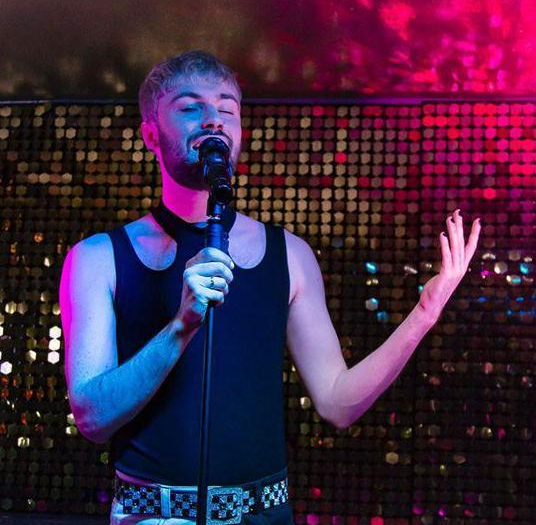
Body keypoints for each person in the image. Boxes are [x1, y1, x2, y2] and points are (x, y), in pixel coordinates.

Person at [59, 50, 482, 524]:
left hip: (263, 513)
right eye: (189, 107)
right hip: (150, 513)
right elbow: (92, 418)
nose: (212, 120)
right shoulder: (97, 258)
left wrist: (424, 313)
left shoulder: (291, 255)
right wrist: (181, 325)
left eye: (227, 108)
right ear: (151, 134)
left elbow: (337, 401)